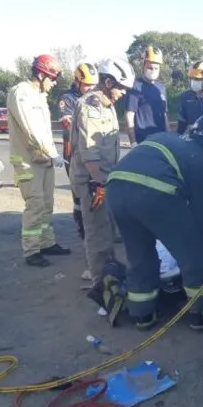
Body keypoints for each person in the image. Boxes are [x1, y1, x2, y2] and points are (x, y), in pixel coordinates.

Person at [106, 114, 203, 331]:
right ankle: (201, 313)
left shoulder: (167, 138)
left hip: (115, 189)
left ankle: (141, 314)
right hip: (155, 192)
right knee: (193, 254)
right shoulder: (199, 157)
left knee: (139, 255)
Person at [69, 57, 135, 282]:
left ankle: (110, 274)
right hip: (93, 182)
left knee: (107, 232)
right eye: (121, 88)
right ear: (108, 83)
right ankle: (101, 284)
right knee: (98, 234)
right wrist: (98, 183)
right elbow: (90, 151)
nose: (124, 93)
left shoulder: (107, 107)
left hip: (104, 179)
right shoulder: (92, 107)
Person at [6, 54, 70, 267]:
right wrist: (51, 152)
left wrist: (51, 153)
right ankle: (31, 250)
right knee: (35, 204)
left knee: (46, 204)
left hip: (44, 159)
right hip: (28, 161)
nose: (53, 84)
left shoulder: (39, 95)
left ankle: (46, 243)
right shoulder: (21, 93)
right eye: (52, 79)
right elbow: (31, 129)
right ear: (42, 74)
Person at [59, 62, 99, 243]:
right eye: (87, 85)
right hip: (73, 152)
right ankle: (83, 231)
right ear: (77, 82)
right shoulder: (68, 99)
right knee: (79, 194)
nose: (90, 89)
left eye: (93, 85)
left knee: (97, 190)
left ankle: (98, 229)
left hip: (92, 151)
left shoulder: (95, 98)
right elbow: (67, 122)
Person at [125, 46, 168, 145]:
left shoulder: (161, 88)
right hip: (143, 141)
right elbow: (129, 115)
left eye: (156, 68)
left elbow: (165, 115)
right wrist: (133, 142)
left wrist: (167, 136)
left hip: (160, 140)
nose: (153, 70)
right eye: (150, 67)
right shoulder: (135, 87)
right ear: (143, 66)